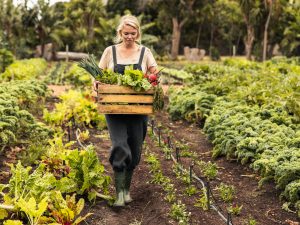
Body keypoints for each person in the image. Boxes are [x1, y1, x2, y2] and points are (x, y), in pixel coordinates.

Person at [95, 15, 158, 207]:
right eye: (125, 33)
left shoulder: (145, 52)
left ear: (137, 33)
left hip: (139, 109)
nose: (129, 37)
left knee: (135, 148)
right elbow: (98, 75)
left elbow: (154, 71)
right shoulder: (110, 51)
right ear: (120, 33)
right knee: (120, 145)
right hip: (114, 108)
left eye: (132, 33)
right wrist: (96, 85)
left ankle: (127, 190)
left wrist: (154, 78)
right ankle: (119, 194)